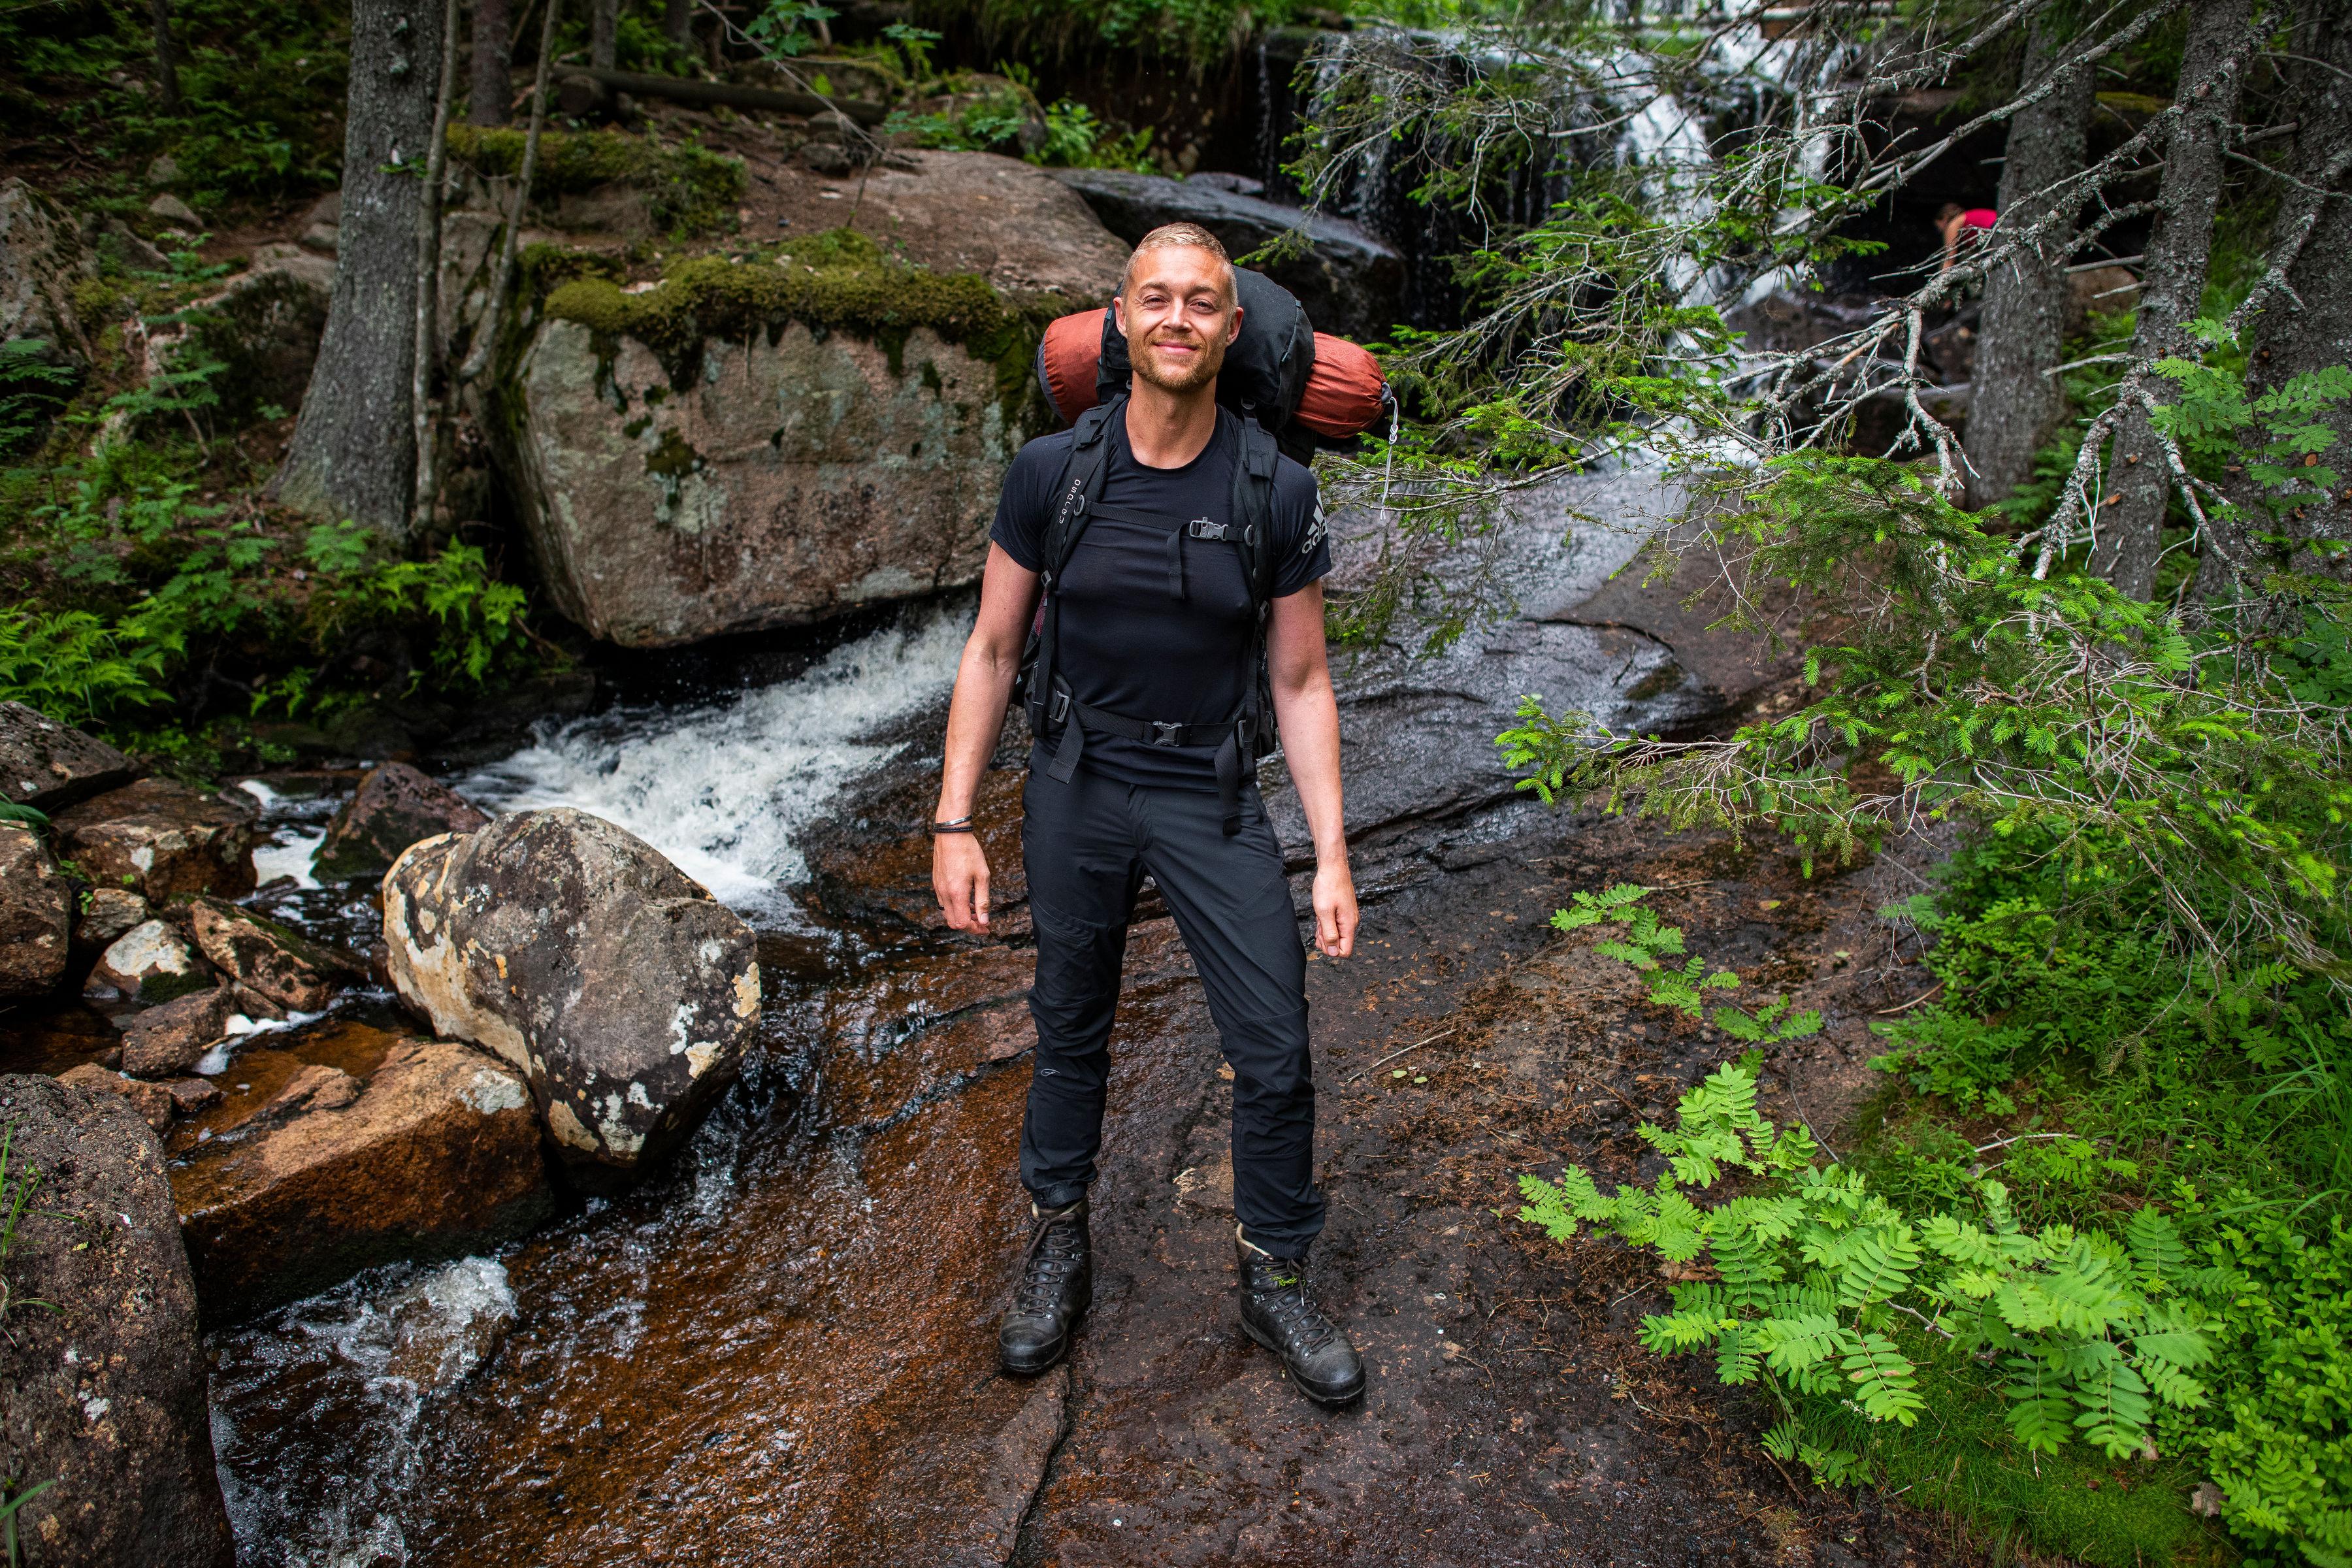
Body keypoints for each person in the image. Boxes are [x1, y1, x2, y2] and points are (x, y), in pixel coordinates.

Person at [928, 222, 1367, 1407]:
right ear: (1120, 322)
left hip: (1207, 797)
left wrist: (1331, 853)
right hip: (1076, 783)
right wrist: (953, 821)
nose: (1177, 319)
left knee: (1273, 1050)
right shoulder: (1051, 474)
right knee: (1071, 1028)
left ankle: (1275, 1276)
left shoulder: (1276, 489)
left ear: (1231, 330)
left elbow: (1301, 681)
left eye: (1201, 304)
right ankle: (1058, 1242)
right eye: (1155, 300)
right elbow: (993, 646)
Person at [1936, 202, 1998, 274]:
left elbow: (1949, 259)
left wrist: (1942, 278)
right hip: (1993, 228)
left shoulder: (1953, 225)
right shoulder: (1965, 218)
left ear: (1945, 218)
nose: (1940, 230)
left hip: (1994, 227)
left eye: (1938, 226)